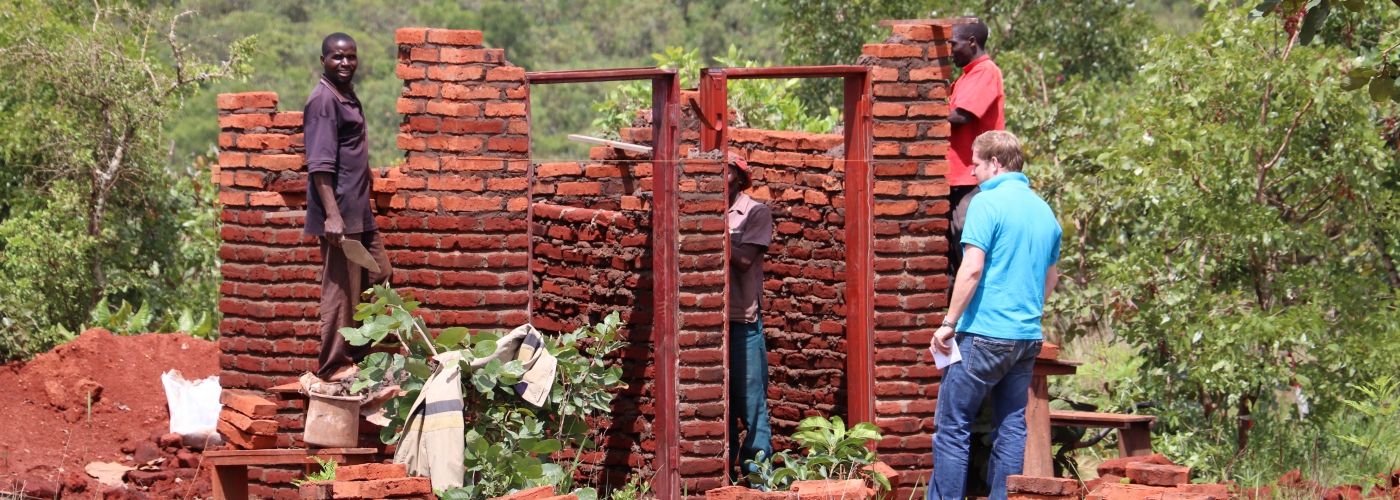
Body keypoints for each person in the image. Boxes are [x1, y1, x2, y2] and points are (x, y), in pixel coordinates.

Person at [929, 131, 1060, 499]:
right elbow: (1051, 277)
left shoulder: (986, 203)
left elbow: (971, 268)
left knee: (953, 425)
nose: (972, 172)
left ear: (995, 164)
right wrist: (1025, 311)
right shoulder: (1043, 210)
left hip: (984, 333)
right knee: (1011, 425)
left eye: (976, 164)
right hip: (1026, 336)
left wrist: (949, 323)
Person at [303, 32, 391, 382]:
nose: (345, 63)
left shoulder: (346, 96)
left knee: (379, 275)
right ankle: (335, 367)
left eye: (351, 57)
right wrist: (333, 215)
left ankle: (364, 357)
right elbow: (320, 165)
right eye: (338, 57)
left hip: (359, 211)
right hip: (339, 214)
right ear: (323, 60)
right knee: (341, 292)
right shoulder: (323, 101)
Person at [725, 152, 774, 481]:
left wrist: (706, 229)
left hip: (743, 323)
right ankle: (724, 476)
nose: (718, 179)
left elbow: (742, 261)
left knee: (751, 403)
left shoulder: (755, 212)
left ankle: (758, 478)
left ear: (739, 179)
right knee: (721, 406)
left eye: (726, 173)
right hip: (714, 328)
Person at [946, 20, 1005, 275]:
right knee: (955, 257)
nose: (951, 51)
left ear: (972, 42)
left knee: (971, 254)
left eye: (954, 44)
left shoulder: (986, 72)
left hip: (972, 179)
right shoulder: (966, 76)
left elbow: (961, 117)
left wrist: (919, 112)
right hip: (957, 178)